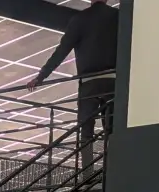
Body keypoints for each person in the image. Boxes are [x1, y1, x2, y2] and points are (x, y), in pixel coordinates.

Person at [30, 0, 119, 171]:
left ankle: (87, 175)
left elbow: (61, 51)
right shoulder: (117, 17)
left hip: (88, 83)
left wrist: (41, 77)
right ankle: (112, 171)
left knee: (86, 132)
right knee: (111, 130)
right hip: (113, 81)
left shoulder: (80, 19)